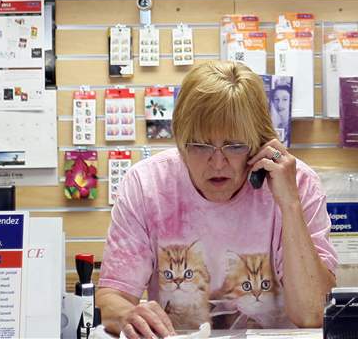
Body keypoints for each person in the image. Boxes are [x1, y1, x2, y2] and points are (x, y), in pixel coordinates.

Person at [97, 61, 337, 337]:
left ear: (261, 143)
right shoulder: (147, 185)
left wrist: (290, 205)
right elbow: (110, 299)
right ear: (180, 141)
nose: (218, 163)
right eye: (200, 146)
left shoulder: (298, 183)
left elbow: (313, 314)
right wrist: (129, 314)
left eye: (235, 146)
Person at [268, 81, 292, 146]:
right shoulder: (278, 126)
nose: (280, 104)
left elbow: (281, 153)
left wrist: (277, 155)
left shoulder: (293, 127)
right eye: (276, 99)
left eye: (285, 99)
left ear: (290, 101)